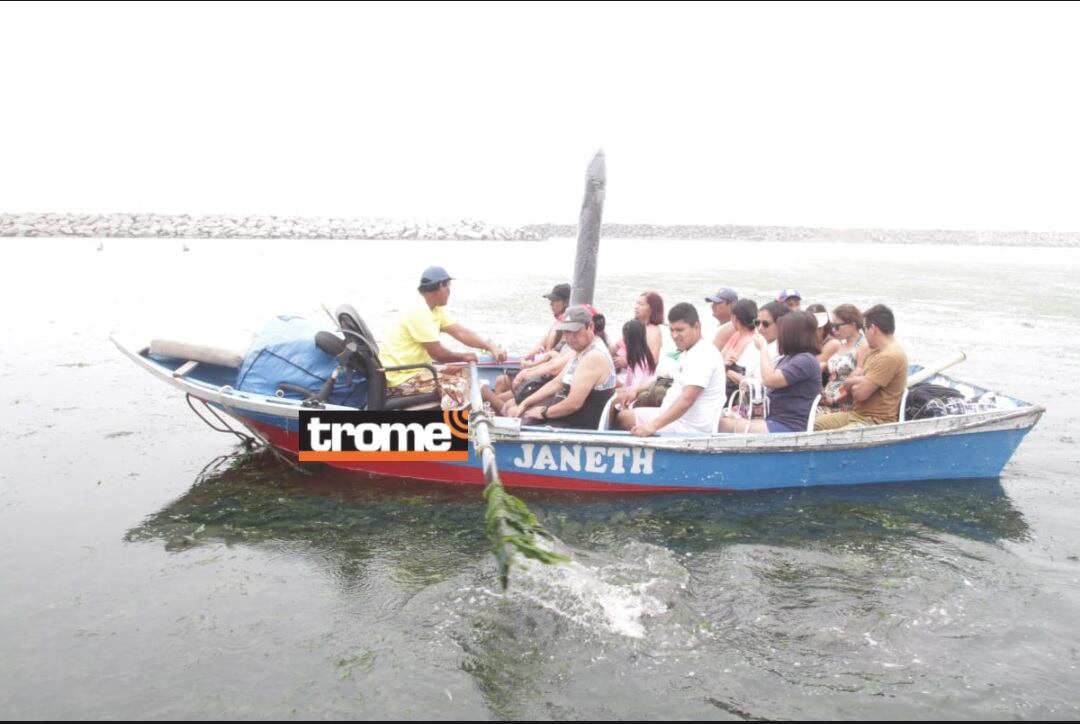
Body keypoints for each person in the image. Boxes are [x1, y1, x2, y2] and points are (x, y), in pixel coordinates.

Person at [381, 266, 506, 408]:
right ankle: (457, 428)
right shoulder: (418, 310)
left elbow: (461, 332)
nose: (450, 291)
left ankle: (505, 411)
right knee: (457, 385)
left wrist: (491, 347)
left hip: (418, 370)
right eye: (449, 286)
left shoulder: (435, 309)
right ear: (441, 285)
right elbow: (438, 353)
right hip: (400, 378)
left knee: (464, 373)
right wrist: (463, 356)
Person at [616, 302, 726, 435]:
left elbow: (687, 400)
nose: (674, 336)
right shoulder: (689, 351)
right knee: (621, 413)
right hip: (674, 418)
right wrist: (637, 390)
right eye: (671, 330)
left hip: (688, 428)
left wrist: (652, 426)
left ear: (697, 326)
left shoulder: (703, 355)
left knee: (623, 419)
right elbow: (666, 381)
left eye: (680, 330)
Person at [505, 305, 617, 429]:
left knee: (521, 426)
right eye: (567, 332)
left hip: (576, 425)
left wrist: (544, 412)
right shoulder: (581, 350)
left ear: (590, 326)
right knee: (519, 415)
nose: (570, 337)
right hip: (565, 417)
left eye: (575, 332)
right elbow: (557, 383)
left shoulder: (594, 356)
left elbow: (574, 403)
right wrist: (525, 403)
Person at [719, 311, 822, 433]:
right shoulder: (790, 358)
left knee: (720, 424)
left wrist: (763, 348)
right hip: (773, 419)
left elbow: (769, 380)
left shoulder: (805, 360)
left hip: (787, 425)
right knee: (719, 416)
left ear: (792, 334)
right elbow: (764, 383)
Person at [814, 304, 908, 430]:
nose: (864, 333)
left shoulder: (890, 356)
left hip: (874, 421)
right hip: (856, 414)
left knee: (837, 435)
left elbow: (859, 394)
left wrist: (853, 381)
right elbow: (851, 384)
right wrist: (835, 398)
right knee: (813, 425)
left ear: (872, 328)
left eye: (864, 329)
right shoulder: (871, 350)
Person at [819, 303, 865, 410]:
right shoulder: (841, 344)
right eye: (831, 326)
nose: (833, 330)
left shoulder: (862, 347)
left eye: (837, 326)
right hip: (826, 399)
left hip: (841, 405)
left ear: (853, 324)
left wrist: (833, 400)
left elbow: (852, 382)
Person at [611, 291, 663, 373]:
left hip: (633, 376)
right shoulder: (633, 326)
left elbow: (653, 362)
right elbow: (615, 347)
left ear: (652, 309)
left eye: (641, 304)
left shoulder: (653, 331)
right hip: (616, 369)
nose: (636, 307)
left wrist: (627, 363)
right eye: (637, 303)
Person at [612, 319, 658, 410]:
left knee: (611, 400)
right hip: (637, 390)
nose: (623, 340)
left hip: (643, 394)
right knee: (610, 394)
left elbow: (634, 388)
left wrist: (618, 394)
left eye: (624, 337)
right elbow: (627, 385)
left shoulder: (640, 361)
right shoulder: (635, 357)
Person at [719, 298, 759, 397]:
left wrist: (726, 368)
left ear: (734, 318)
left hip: (735, 394)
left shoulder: (751, 342)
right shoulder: (739, 335)